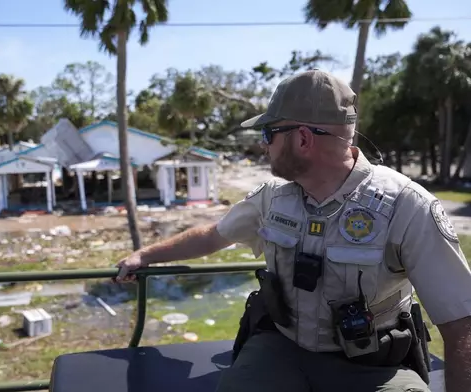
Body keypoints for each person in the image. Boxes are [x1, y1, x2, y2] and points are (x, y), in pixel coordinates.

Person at [115, 69, 471, 392]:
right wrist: (146, 255)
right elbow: (213, 234)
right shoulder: (272, 198)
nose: (263, 144)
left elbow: (460, 326)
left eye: (269, 132)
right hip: (280, 348)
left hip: (371, 365)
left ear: (302, 139)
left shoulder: (407, 206)